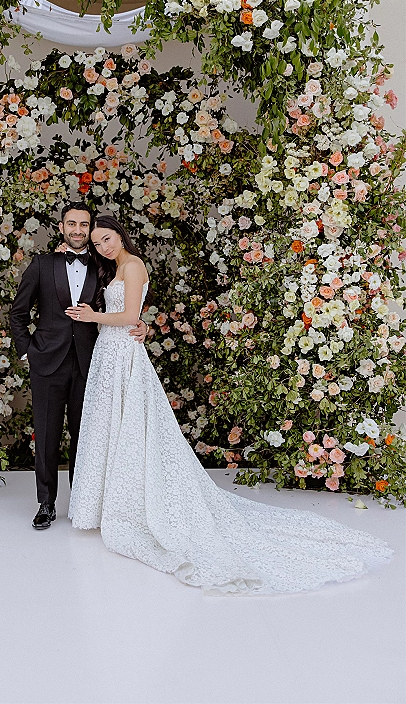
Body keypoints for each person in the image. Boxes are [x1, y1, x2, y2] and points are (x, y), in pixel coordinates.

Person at [65, 215, 393, 595]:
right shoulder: (114, 268)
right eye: (97, 243)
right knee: (108, 424)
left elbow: (130, 316)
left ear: (120, 235)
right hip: (110, 352)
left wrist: (93, 316)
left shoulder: (133, 265)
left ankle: (135, 507)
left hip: (123, 352)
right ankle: (106, 504)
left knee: (132, 426)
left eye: (107, 239)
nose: (103, 246)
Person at [9, 202, 147, 530]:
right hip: (46, 362)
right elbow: (18, 313)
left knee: (86, 437)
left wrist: (142, 325)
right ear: (61, 227)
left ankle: (82, 502)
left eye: (83, 225)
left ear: (90, 229)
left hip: (92, 363)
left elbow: (130, 301)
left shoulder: (105, 266)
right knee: (46, 434)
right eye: (71, 224)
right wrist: (28, 352)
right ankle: (46, 503)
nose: (77, 230)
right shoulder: (42, 264)